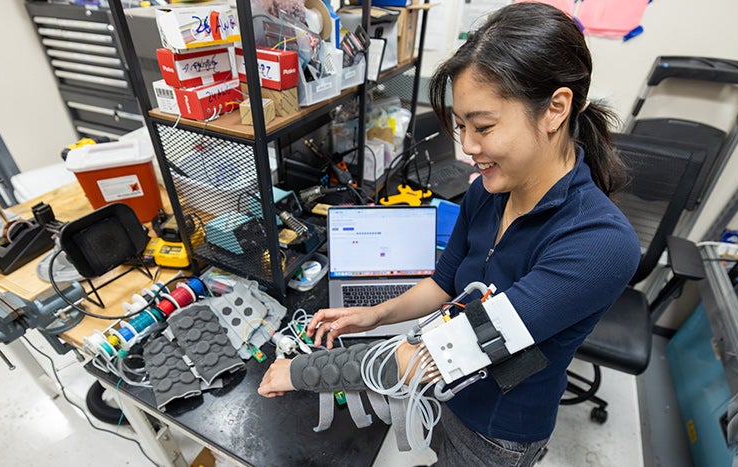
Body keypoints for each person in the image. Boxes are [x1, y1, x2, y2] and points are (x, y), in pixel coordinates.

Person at [258, 2, 640, 465]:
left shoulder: (600, 243)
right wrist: (376, 315)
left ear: (555, 109)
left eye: (483, 127)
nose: (469, 148)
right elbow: (445, 281)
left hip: (496, 431)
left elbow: (437, 356)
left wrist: (301, 371)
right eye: (461, 127)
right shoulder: (490, 191)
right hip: (449, 395)